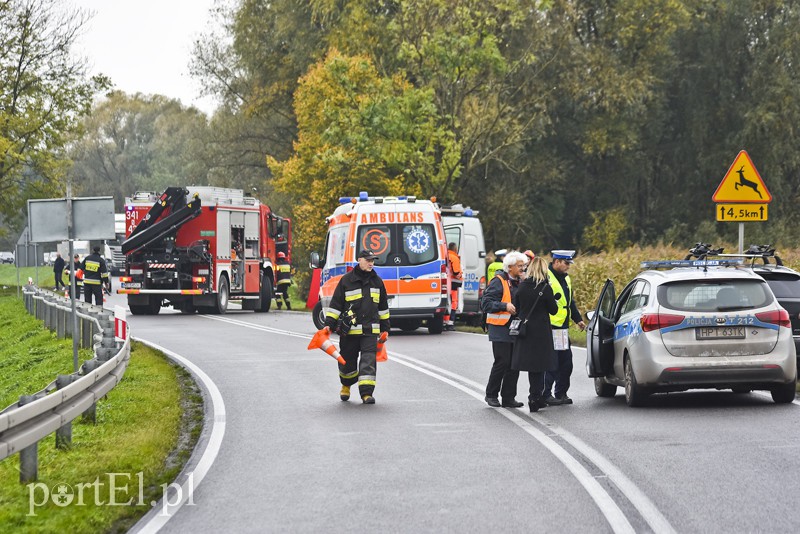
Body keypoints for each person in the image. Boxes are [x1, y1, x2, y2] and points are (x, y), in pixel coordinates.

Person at [323, 248, 390, 404]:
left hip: (370, 331)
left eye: (372, 260)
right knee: (347, 361)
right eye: (368, 260)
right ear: (359, 260)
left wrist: (385, 329)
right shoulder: (346, 281)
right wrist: (329, 325)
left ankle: (366, 394)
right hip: (349, 331)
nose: (371, 263)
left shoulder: (377, 282)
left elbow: (383, 308)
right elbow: (336, 305)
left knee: (368, 361)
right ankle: (346, 385)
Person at [510, 257, 559, 412]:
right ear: (544, 270)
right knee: (541, 365)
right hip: (541, 332)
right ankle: (535, 396)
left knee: (532, 367)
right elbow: (553, 310)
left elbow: (516, 307)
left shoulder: (522, 287)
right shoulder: (545, 288)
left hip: (525, 332)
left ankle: (533, 397)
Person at [481, 251, 527, 408]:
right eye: (520, 266)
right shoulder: (498, 281)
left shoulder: (521, 281)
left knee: (514, 364)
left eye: (524, 266)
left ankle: (508, 397)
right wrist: (504, 306)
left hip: (516, 328)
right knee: (502, 362)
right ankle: (491, 394)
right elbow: (486, 303)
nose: (523, 269)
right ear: (510, 267)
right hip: (500, 328)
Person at [543, 250, 586, 406]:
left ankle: (561, 393)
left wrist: (578, 319)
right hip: (550, 327)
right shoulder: (545, 277)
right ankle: (545, 394)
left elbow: (569, 303)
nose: (568, 266)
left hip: (561, 328)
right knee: (552, 362)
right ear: (556, 262)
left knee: (565, 362)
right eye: (566, 263)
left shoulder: (565, 279)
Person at [444, 242, 463, 331]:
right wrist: (460, 274)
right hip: (454, 283)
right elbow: (456, 271)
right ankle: (450, 323)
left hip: (446, 282)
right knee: (453, 303)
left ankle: (445, 321)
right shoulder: (454, 257)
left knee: (447, 302)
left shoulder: (445, 255)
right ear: (455, 249)